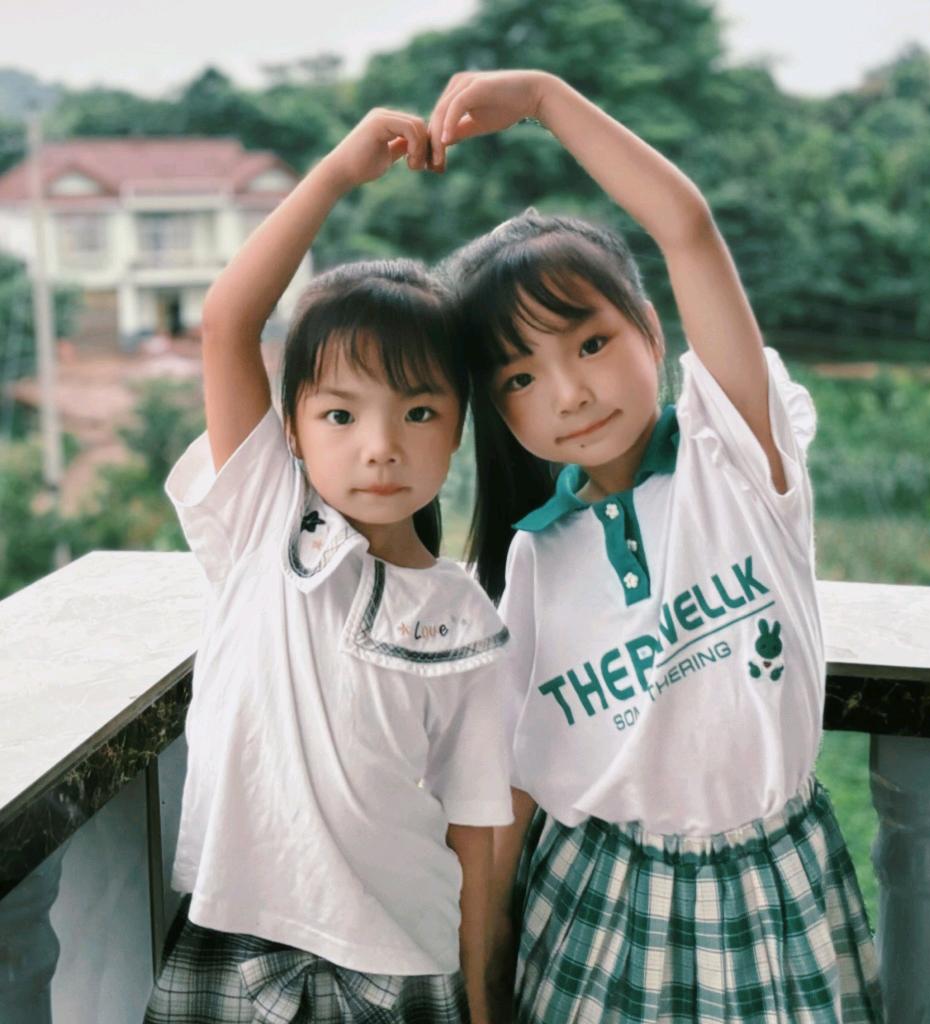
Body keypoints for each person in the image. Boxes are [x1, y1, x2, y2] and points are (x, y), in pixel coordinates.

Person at [432, 71, 885, 1022]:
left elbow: (685, 226)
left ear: (648, 330)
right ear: (496, 410)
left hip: (776, 888)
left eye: (589, 343)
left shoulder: (734, 460)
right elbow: (509, 794)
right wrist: (482, 987)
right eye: (520, 375)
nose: (568, 391)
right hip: (598, 904)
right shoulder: (534, 561)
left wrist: (548, 101)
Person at [145, 108, 513, 1024]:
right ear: (297, 428)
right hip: (235, 936)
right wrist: (336, 177)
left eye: (418, 413)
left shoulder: (468, 620)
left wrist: (480, 998)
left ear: (458, 428)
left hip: (405, 965)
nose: (380, 449)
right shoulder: (267, 511)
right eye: (341, 415)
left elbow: (477, 832)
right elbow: (229, 322)